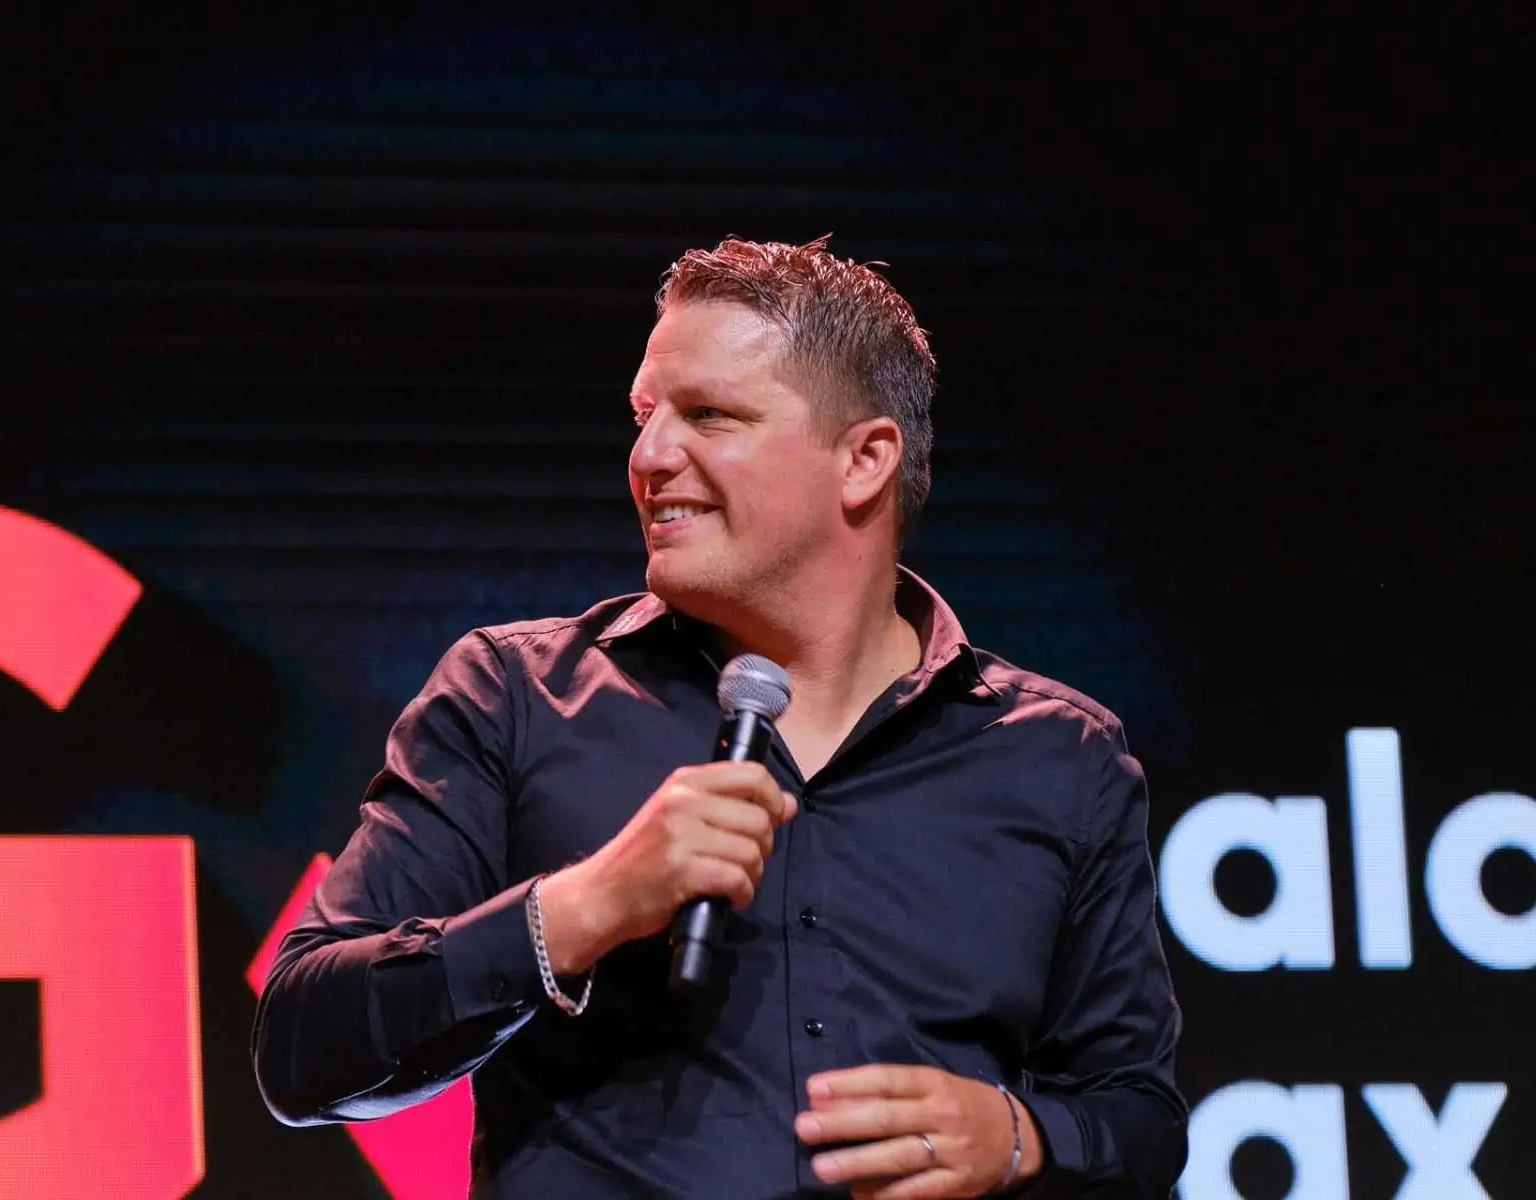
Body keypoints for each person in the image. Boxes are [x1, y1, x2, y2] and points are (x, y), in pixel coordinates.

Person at [252, 236, 1188, 1197]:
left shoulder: (1060, 758)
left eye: (708, 415)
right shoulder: (515, 698)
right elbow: (299, 1049)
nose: (649, 457)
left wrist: (1021, 1138)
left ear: (864, 460)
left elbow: (1138, 1120)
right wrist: (584, 907)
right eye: (644, 416)